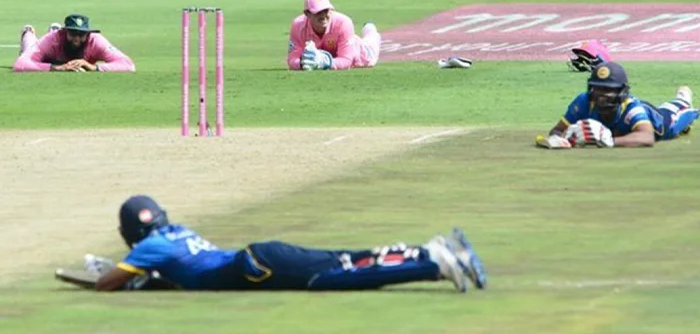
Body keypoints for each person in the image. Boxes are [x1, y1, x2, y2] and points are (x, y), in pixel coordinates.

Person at [80, 195, 487, 293]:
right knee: (344, 261)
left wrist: (119, 274)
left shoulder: (148, 249)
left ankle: (435, 261)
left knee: (334, 278)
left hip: (256, 266)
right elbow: (177, 272)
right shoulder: (173, 234)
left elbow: (104, 284)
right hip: (258, 256)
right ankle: (429, 252)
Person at [546, 61, 698, 148]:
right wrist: (561, 139)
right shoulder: (583, 102)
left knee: (678, 116)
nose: (602, 96)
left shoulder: (632, 108)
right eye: (598, 89)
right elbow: (557, 130)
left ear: (622, 92)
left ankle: (682, 99)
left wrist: (611, 141)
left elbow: (647, 137)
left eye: (608, 90)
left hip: (659, 124)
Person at [287, 0, 381, 71]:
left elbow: (346, 60)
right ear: (307, 13)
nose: (323, 16)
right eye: (318, 12)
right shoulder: (298, 25)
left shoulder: (343, 23)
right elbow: (292, 59)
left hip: (360, 54)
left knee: (371, 46)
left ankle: (370, 30)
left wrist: (323, 62)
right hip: (334, 53)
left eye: (326, 10)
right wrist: (302, 63)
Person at [13, 13, 135, 72]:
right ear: (64, 32)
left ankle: (52, 28)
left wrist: (95, 67)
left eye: (81, 34)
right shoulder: (53, 39)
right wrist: (56, 68)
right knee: (29, 48)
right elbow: (20, 64)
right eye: (72, 34)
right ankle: (28, 32)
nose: (77, 38)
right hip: (50, 57)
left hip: (55, 51)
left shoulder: (96, 40)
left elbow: (128, 65)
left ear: (88, 34)